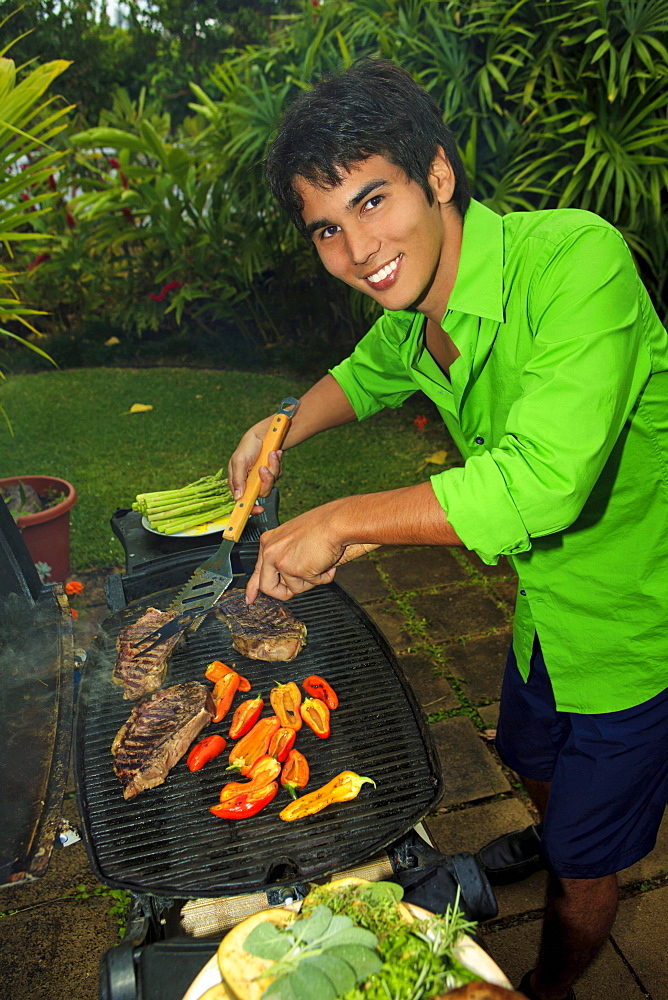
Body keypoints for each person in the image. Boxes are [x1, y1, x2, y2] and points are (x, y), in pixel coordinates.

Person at [227, 58, 668, 1000]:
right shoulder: (415, 313)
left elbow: (541, 486)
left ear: (437, 174)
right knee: (528, 751)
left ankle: (549, 979)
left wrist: (342, 522)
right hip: (544, 615)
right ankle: (554, 836)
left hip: (639, 630)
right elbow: (364, 373)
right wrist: (278, 427)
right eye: (329, 229)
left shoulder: (577, 261)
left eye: (374, 200)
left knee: (592, 861)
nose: (359, 249)